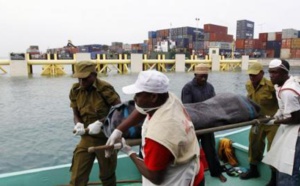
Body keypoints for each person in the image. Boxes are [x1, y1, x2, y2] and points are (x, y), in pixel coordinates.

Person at [111, 70, 204, 185]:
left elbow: (155, 177)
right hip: (194, 169)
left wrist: (129, 152)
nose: (134, 98)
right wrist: (119, 130)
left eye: (138, 94)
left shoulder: (159, 134)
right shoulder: (168, 98)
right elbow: (141, 110)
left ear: (153, 97)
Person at [69, 61, 121, 186]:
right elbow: (76, 114)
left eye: (85, 79)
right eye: (79, 79)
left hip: (106, 138)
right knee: (77, 178)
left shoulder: (104, 89)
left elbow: (120, 111)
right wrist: (78, 124)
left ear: (94, 74)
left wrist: (101, 122)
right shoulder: (75, 90)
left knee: (107, 176)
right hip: (87, 138)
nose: (82, 83)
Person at [181, 64, 227, 183]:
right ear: (195, 75)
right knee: (191, 152)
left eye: (205, 76)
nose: (204, 79)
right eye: (201, 76)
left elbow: (214, 103)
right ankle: (191, 175)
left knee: (210, 150)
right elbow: (188, 108)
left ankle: (216, 172)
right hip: (194, 126)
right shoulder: (187, 88)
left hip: (207, 125)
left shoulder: (210, 87)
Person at [239, 62, 279, 186]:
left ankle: (274, 178)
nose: (252, 77)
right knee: (254, 144)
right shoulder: (248, 85)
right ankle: (253, 170)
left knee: (273, 148)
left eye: (255, 75)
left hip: (272, 122)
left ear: (262, 73)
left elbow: (281, 101)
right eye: (250, 74)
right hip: (257, 120)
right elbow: (249, 100)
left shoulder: (271, 86)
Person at [262, 59, 300, 186]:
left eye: (275, 72)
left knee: (287, 167)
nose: (271, 75)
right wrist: (276, 115)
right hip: (290, 128)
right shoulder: (281, 86)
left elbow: (296, 118)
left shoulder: (288, 91)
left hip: (296, 132)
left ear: (284, 73)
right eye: (270, 72)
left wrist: (274, 122)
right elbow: (284, 108)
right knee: (282, 163)